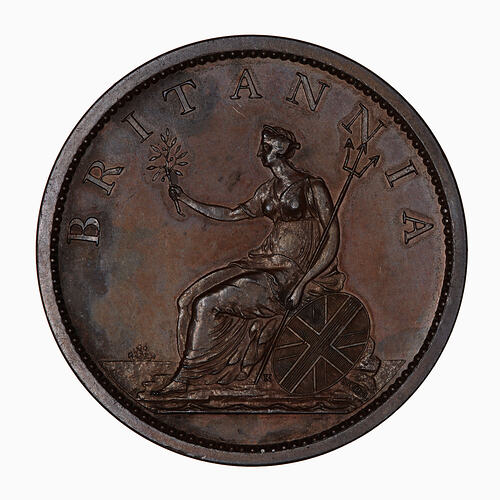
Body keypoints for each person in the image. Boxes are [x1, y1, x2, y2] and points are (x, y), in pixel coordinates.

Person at [155, 125, 344, 395]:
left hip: (289, 273)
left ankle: (188, 377)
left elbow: (331, 238)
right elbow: (232, 214)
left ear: (281, 149)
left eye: (265, 147)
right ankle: (197, 371)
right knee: (186, 300)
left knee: (206, 303)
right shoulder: (267, 191)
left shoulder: (311, 187)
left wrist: (303, 282)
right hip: (262, 263)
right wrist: (186, 200)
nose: (259, 153)